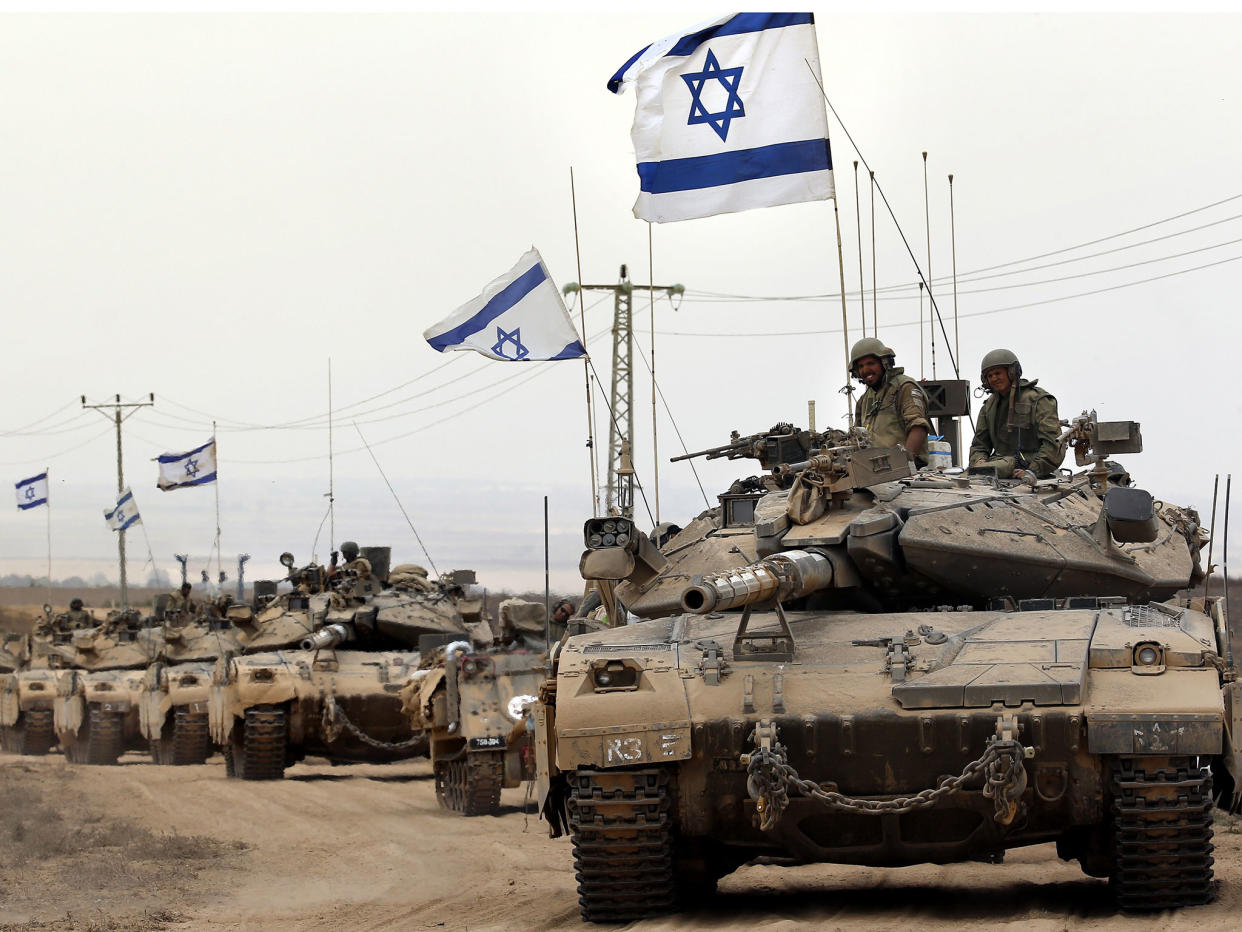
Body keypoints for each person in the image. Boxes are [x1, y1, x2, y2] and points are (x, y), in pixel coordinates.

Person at [969, 348, 1064, 479]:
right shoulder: (988, 407)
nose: (994, 378)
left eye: (998, 373)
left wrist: (1033, 470)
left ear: (1012, 372)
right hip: (996, 466)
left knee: (983, 471)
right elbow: (979, 445)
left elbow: (1053, 445)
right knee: (972, 473)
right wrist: (979, 460)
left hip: (1029, 462)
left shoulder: (1037, 400)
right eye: (989, 376)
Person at [849, 338, 931, 456]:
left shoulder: (904, 388)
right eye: (861, 366)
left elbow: (918, 427)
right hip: (873, 470)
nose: (865, 370)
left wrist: (905, 462)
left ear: (884, 363)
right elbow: (857, 439)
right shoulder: (864, 400)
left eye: (871, 363)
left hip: (905, 471)